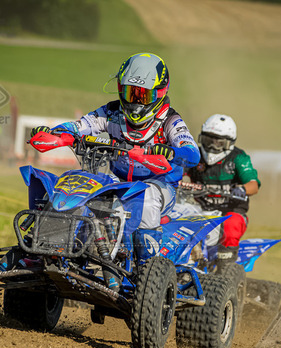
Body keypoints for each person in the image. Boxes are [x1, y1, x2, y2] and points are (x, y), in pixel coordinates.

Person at [30, 52, 200, 240]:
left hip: (160, 185)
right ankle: (60, 242)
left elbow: (192, 153)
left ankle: (147, 256)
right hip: (118, 182)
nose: (135, 102)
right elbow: (80, 126)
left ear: (160, 93)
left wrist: (171, 152)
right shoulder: (111, 112)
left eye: (142, 95)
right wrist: (54, 132)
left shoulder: (171, 121)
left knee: (146, 200)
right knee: (77, 188)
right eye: (130, 93)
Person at [186, 114, 260, 269]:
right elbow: (178, 173)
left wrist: (242, 189)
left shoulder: (238, 158)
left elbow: (253, 184)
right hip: (198, 208)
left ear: (229, 143)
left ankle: (225, 269)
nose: (212, 147)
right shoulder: (195, 155)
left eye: (218, 143)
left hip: (229, 211)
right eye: (208, 141)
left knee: (232, 225)